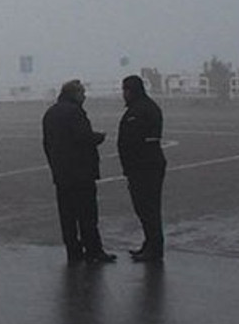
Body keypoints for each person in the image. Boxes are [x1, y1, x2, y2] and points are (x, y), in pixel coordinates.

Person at [42, 79, 116, 264]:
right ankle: (93, 250)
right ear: (75, 94)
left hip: (61, 172)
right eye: (82, 93)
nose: (84, 97)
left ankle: (73, 251)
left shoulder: (50, 113)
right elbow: (82, 137)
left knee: (67, 215)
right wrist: (98, 137)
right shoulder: (75, 112)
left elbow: (47, 143)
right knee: (87, 214)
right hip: (81, 171)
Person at [118, 75, 167, 263]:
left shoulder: (141, 110)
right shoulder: (144, 107)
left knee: (148, 208)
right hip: (143, 165)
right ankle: (151, 243)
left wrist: (131, 164)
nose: (124, 94)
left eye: (126, 90)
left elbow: (136, 141)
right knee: (145, 208)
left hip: (145, 166)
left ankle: (154, 247)